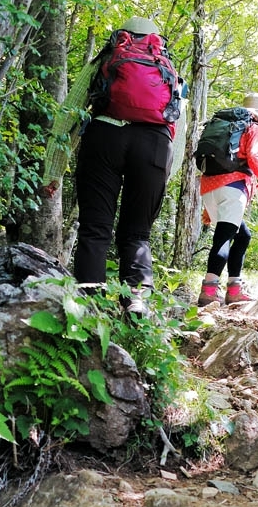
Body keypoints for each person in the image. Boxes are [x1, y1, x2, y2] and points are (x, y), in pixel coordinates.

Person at [73, 16, 181, 316]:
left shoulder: (107, 57)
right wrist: (165, 172)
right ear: (155, 39)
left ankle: (88, 306)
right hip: (155, 146)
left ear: (122, 33)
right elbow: (177, 125)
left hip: (104, 137)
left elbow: (70, 110)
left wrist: (52, 170)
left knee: (95, 229)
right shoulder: (168, 68)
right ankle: (137, 300)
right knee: (137, 233)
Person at [198, 93, 258, 306]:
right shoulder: (255, 129)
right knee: (223, 238)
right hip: (233, 188)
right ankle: (209, 291)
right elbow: (256, 158)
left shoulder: (226, 125)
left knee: (243, 235)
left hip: (209, 187)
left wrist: (208, 209)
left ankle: (234, 289)